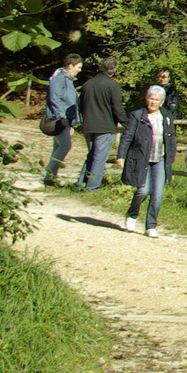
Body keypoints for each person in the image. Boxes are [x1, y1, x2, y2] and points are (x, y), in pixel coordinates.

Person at [118, 85, 175, 237]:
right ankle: (132, 214)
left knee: (158, 194)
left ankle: (151, 226)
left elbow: (171, 141)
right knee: (143, 190)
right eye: (151, 98)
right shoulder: (137, 116)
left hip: (160, 160)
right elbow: (127, 137)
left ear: (161, 102)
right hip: (141, 159)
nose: (153, 102)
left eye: (156, 100)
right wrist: (121, 156)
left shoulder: (167, 118)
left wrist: (171, 161)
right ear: (146, 99)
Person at [75, 57, 129, 191]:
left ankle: (81, 182)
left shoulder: (87, 85)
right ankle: (92, 187)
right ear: (114, 70)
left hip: (88, 126)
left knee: (92, 155)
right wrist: (126, 122)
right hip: (105, 126)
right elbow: (117, 108)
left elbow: (80, 106)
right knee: (100, 157)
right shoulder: (112, 86)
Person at [40, 54, 83, 186]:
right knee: (65, 145)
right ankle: (48, 174)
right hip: (60, 119)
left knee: (58, 146)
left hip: (66, 120)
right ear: (70, 65)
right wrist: (62, 116)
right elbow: (54, 98)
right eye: (78, 67)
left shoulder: (68, 80)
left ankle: (51, 177)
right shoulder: (59, 79)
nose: (80, 70)